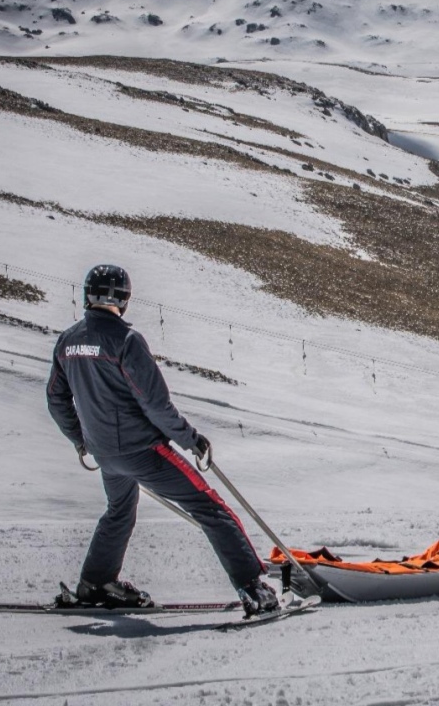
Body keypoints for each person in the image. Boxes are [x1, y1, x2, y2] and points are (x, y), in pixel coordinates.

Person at [46, 264, 279, 616]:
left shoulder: (68, 341)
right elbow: (155, 403)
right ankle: (253, 587)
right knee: (211, 507)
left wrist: (81, 441)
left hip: (106, 454)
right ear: (124, 298)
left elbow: (56, 398)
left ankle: (96, 582)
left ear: (87, 295)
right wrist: (191, 439)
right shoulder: (126, 341)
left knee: (118, 512)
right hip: (144, 451)